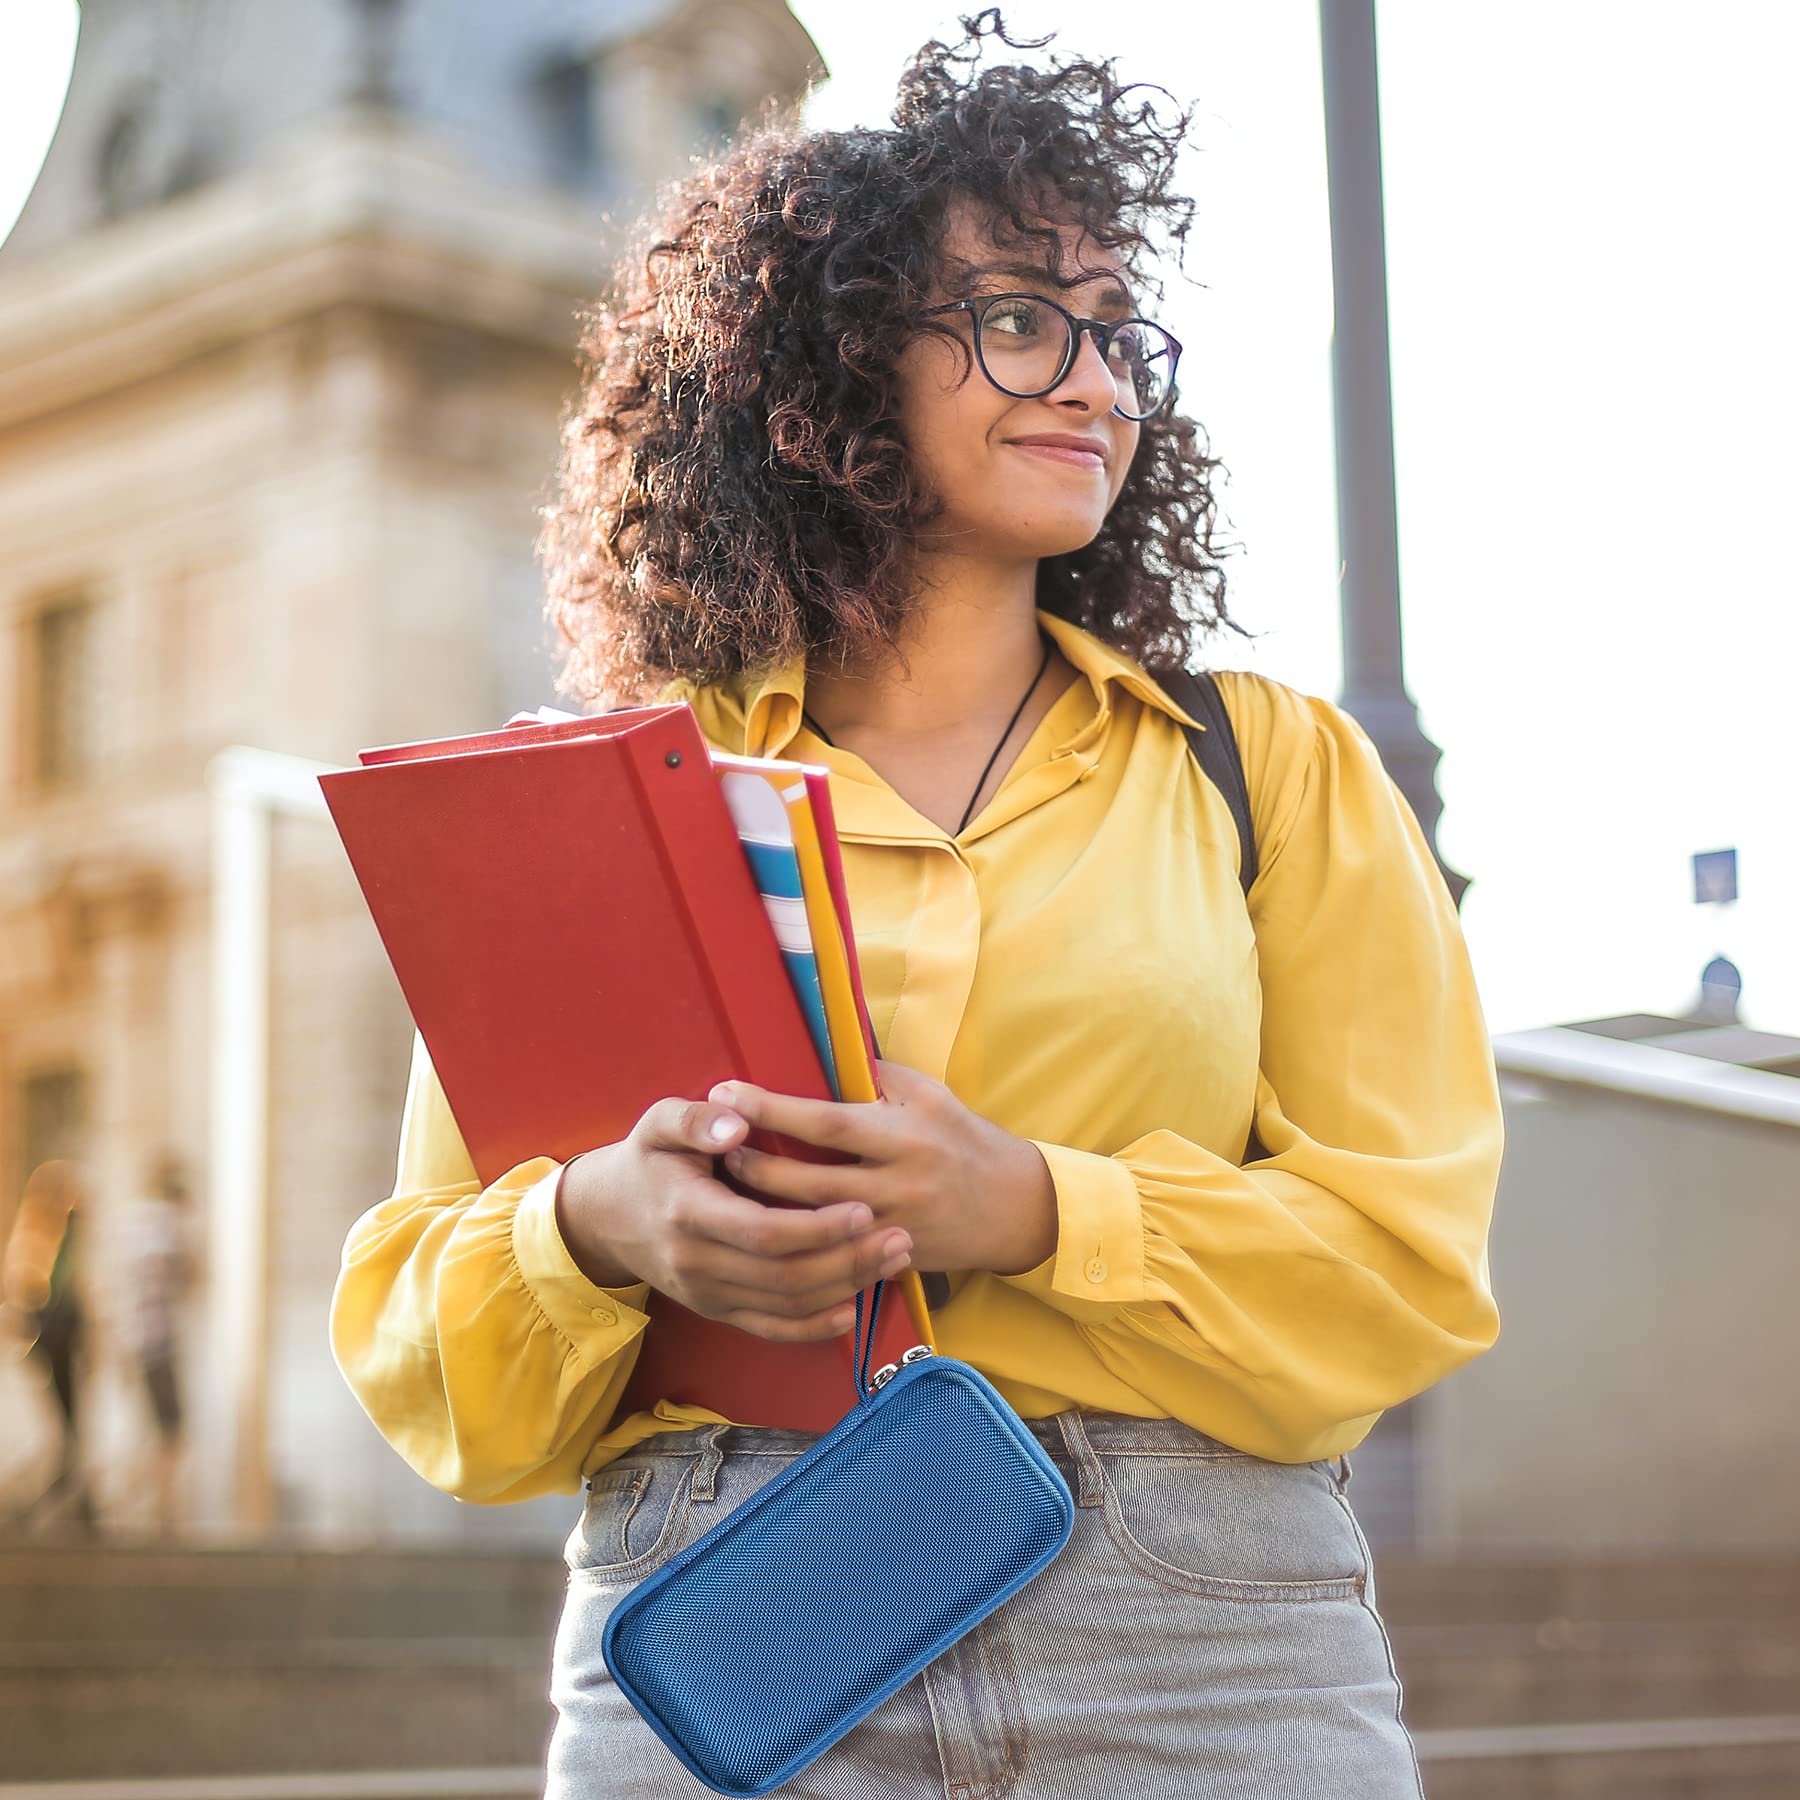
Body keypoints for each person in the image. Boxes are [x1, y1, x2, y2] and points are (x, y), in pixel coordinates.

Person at [332, 17, 1502, 1796]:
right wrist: (596, 1228)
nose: (1097, 379)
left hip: (1196, 1639)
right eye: (1023, 317)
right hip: (732, 1622)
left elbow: (1409, 1267)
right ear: (832, 359)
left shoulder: (1269, 772)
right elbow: (429, 1345)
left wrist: (1037, 1208)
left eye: (1120, 333)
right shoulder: (617, 804)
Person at [2, 1159, 96, 1531]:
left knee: (69, 1421)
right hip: (49, 1343)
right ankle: (68, 1496)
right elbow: (27, 1291)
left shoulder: (65, 1242)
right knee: (60, 1423)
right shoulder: (38, 1240)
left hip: (61, 1343)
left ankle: (76, 1498)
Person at [111, 1153, 199, 1536]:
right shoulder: (163, 1228)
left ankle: (149, 1507)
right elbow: (188, 1277)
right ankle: (159, 1510)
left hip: (134, 1340)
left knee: (151, 1428)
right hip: (157, 1342)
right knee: (169, 1431)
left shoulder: (133, 1224)